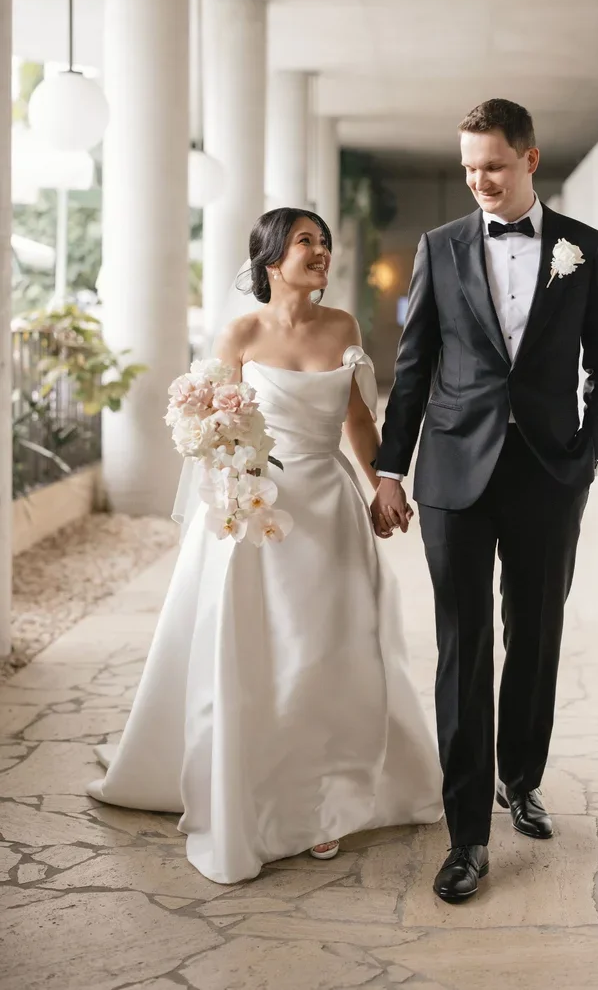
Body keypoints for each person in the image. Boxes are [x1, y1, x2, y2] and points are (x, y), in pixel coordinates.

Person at [87, 207, 443, 884]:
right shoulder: (241, 332)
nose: (320, 251)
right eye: (305, 241)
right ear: (271, 259)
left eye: (325, 242)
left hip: (330, 507)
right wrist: (230, 477)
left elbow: (359, 416)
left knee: (331, 647)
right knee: (263, 651)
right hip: (256, 508)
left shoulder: (342, 326)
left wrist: (383, 486)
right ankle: (258, 789)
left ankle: (326, 801)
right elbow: (211, 423)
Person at [371, 98, 598, 903]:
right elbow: (412, 366)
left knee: (537, 632)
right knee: (463, 643)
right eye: (468, 166)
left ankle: (521, 778)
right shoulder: (439, 247)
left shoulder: (585, 249)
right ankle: (467, 835)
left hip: (550, 473)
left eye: (492, 164)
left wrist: (589, 455)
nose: (478, 179)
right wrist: (389, 467)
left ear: (529, 159)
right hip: (454, 472)